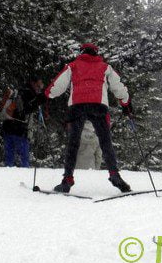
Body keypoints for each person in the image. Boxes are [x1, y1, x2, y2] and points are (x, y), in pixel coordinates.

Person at [45, 43, 132, 193]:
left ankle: (67, 179)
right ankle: (114, 174)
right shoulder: (105, 67)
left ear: (81, 52)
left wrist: (45, 96)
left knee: (73, 143)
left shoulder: (73, 66)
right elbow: (118, 86)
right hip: (98, 105)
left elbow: (57, 86)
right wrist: (125, 103)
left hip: (77, 105)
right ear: (96, 53)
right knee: (105, 142)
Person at [1, 76, 47, 167]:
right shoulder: (27, 93)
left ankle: (7, 176)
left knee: (9, 157)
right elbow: (25, 110)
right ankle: (25, 176)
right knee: (24, 158)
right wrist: (39, 100)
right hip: (18, 128)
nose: (40, 87)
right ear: (33, 83)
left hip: (7, 126)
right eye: (39, 85)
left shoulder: (21, 91)